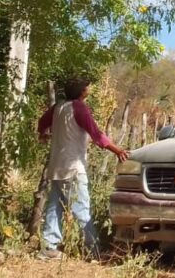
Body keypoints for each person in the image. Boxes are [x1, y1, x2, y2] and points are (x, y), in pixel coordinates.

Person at [36, 78, 129, 260]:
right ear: (82, 92)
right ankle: (92, 249)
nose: (89, 89)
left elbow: (42, 122)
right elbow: (96, 133)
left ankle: (49, 247)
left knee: (55, 206)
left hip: (56, 166)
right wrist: (117, 150)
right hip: (73, 167)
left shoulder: (58, 108)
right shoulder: (79, 108)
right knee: (81, 208)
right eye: (87, 87)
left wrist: (44, 134)